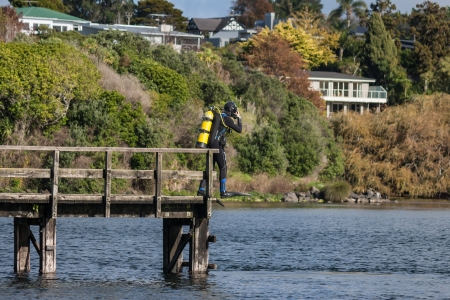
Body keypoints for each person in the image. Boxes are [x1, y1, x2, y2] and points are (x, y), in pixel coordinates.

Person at [198, 101, 242, 198]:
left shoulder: (218, 116)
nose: (235, 112)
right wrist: (239, 118)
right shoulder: (227, 119)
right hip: (216, 145)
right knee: (223, 167)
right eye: (234, 111)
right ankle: (223, 191)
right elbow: (239, 130)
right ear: (231, 110)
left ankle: (201, 190)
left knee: (210, 167)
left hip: (210, 144)